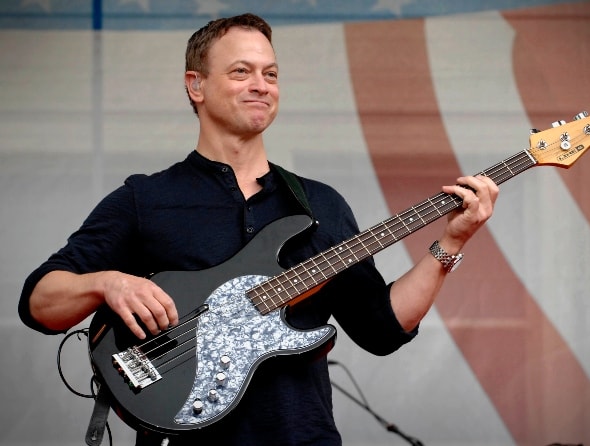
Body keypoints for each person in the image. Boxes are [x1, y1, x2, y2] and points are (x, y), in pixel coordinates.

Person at [19, 13, 498, 446]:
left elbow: (381, 329)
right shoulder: (145, 199)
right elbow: (40, 302)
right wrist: (107, 282)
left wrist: (450, 242)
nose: (261, 85)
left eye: (270, 73)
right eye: (241, 71)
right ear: (196, 85)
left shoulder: (320, 206)